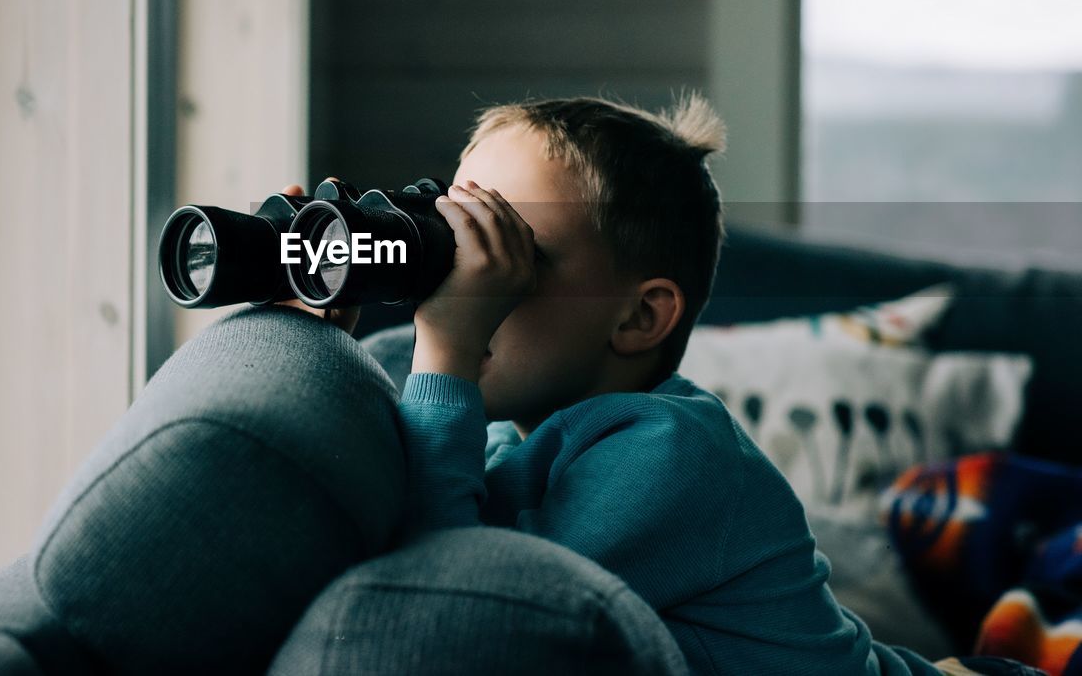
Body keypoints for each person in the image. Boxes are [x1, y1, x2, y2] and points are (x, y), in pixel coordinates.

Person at [376, 94, 943, 675]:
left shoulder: (672, 456)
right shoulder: (506, 437)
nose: (460, 282)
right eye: (456, 237)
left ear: (638, 318)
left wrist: (446, 353)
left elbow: (448, 605)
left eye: (508, 255)